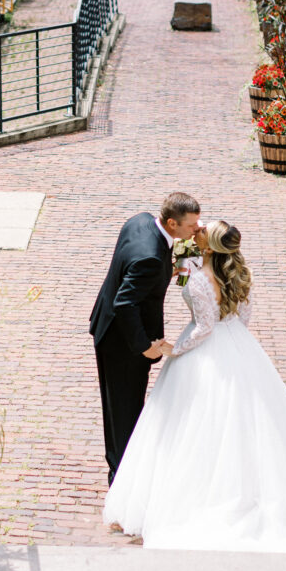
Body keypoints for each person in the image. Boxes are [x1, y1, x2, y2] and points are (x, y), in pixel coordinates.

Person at [104, 220, 286, 553]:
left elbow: (203, 328)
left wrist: (176, 348)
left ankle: (191, 498)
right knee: (245, 420)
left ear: (212, 246)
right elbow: (241, 319)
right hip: (238, 344)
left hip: (203, 351)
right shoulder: (237, 275)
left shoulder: (201, 280)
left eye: (203, 231)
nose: (197, 230)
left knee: (189, 424)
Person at [90, 192, 201, 486]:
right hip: (122, 342)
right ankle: (120, 480)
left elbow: (132, 269)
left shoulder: (140, 221)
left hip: (108, 325)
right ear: (172, 223)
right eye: (191, 226)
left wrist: (168, 271)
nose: (196, 230)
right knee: (124, 410)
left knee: (124, 406)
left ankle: (125, 470)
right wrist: (145, 347)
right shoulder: (150, 257)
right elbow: (125, 303)